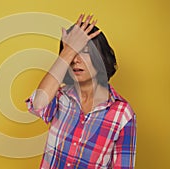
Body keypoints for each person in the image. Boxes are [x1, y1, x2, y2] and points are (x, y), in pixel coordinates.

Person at [25, 14, 136, 169]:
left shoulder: (122, 114)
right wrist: (67, 51)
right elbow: (38, 103)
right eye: (72, 53)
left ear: (100, 56)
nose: (75, 60)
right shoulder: (60, 96)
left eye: (84, 51)